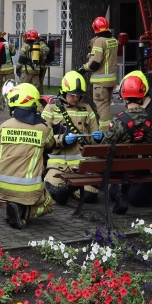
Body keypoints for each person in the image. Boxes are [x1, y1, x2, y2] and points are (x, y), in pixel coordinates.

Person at [0, 83, 61, 229]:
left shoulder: (1, 126)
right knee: (49, 204)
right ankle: (23, 211)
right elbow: (51, 145)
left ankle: (14, 207)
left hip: (0, 186)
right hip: (28, 189)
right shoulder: (44, 128)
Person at [102, 71, 152, 208]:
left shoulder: (119, 120)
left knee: (135, 198)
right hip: (133, 168)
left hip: (150, 168)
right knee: (115, 192)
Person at [41, 72, 101, 205]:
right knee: (55, 193)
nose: (75, 97)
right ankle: (68, 188)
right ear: (63, 91)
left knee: (90, 197)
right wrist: (61, 140)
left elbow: (92, 136)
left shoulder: (87, 109)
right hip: (57, 165)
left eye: (78, 94)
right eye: (72, 94)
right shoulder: (51, 108)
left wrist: (97, 138)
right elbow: (44, 137)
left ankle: (74, 189)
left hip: (81, 166)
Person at [79, 17, 119, 123]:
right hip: (111, 80)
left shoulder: (99, 42)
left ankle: (104, 134)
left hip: (101, 82)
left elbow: (95, 63)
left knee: (102, 108)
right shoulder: (113, 40)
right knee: (106, 106)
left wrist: (83, 69)